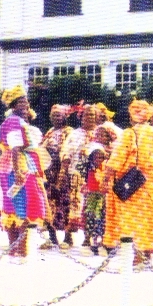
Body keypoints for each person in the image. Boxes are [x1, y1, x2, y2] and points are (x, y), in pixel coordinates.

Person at [102, 100, 153, 268]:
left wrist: (106, 178)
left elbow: (117, 158)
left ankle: (137, 256)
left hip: (133, 184)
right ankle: (147, 255)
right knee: (150, 218)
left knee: (133, 219)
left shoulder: (130, 133)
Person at [0, 85, 51, 259]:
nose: (25, 104)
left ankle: (17, 249)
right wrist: (19, 170)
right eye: (20, 101)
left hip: (19, 165)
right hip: (18, 166)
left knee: (14, 207)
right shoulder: (13, 121)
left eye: (26, 101)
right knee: (23, 206)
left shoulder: (18, 121)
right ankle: (20, 249)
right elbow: (15, 147)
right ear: (13, 105)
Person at [78, 108, 117, 255]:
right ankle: (90, 240)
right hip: (92, 192)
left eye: (103, 134)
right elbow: (82, 169)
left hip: (107, 192)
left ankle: (104, 242)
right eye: (98, 134)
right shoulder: (90, 151)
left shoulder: (114, 152)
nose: (100, 136)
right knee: (90, 216)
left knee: (104, 217)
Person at [41, 104, 73, 249]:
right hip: (49, 172)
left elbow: (69, 151)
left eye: (58, 115)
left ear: (65, 117)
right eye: (53, 115)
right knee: (49, 203)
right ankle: (52, 236)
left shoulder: (69, 132)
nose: (55, 118)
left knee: (65, 202)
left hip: (63, 171)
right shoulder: (49, 132)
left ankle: (68, 237)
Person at [59, 103, 89, 248]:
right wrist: (63, 172)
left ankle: (89, 238)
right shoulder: (75, 134)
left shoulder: (102, 132)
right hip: (76, 174)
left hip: (95, 176)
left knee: (92, 208)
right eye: (86, 115)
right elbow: (66, 153)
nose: (90, 118)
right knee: (72, 205)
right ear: (81, 117)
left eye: (93, 115)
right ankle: (68, 236)